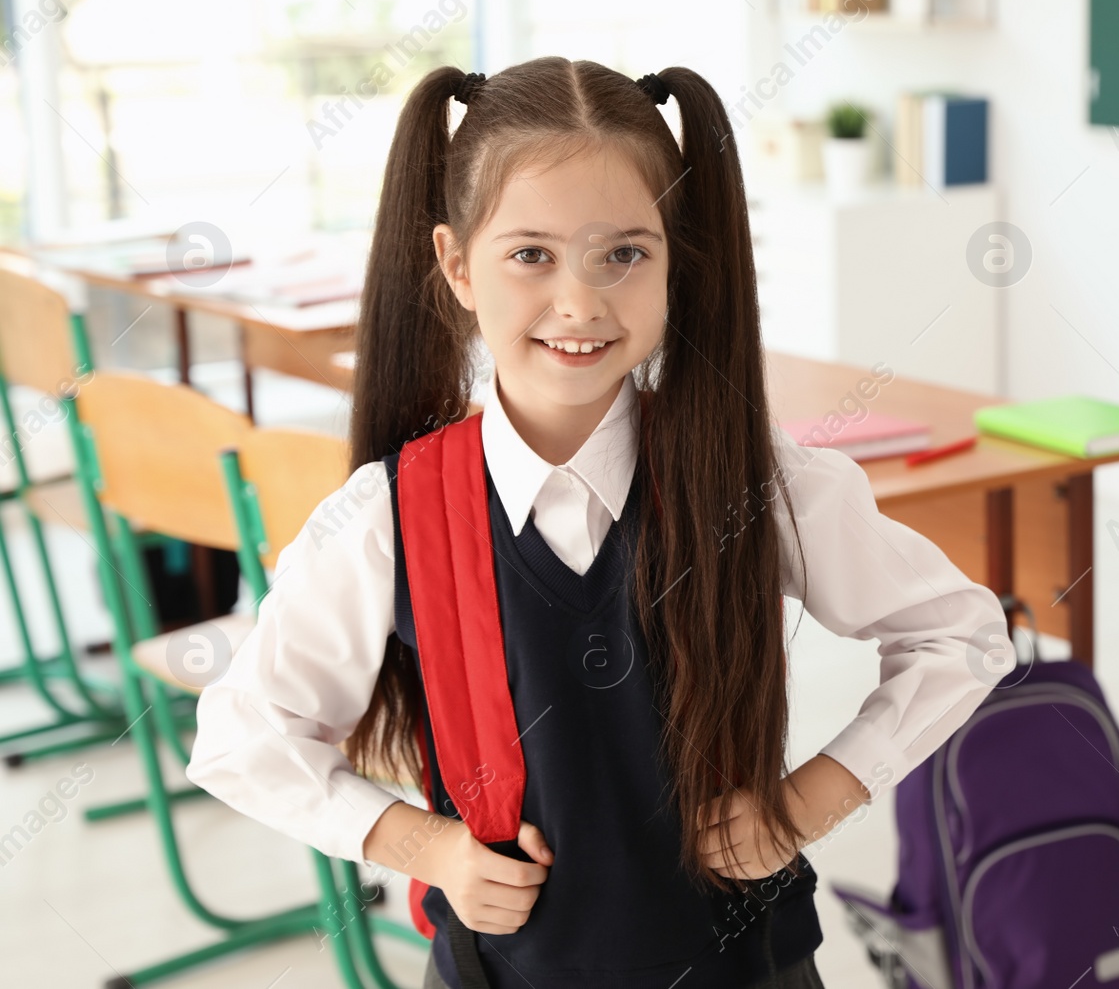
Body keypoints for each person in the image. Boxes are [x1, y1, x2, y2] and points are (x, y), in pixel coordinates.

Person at [187, 56, 1014, 989]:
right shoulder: (392, 513)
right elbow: (240, 736)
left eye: (623, 253)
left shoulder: (754, 481)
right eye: (530, 254)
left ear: (675, 263)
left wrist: (809, 799)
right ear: (457, 265)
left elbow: (962, 633)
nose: (579, 302)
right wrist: (428, 848)